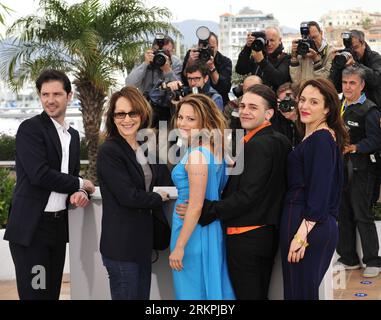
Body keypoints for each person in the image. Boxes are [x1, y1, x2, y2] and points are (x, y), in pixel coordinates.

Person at [179, 85, 292, 299]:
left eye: (253, 107)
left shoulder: (259, 145)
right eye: (242, 106)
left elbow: (248, 195)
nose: (245, 111)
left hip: (247, 237)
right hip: (264, 235)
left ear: (268, 114)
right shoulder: (278, 140)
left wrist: (207, 209)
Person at [3, 69, 95, 300]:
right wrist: (82, 182)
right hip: (32, 231)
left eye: (56, 94)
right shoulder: (30, 129)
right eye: (45, 94)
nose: (50, 100)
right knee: (37, 293)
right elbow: (40, 175)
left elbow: (71, 178)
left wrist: (81, 190)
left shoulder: (73, 136)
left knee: (51, 293)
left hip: (57, 228)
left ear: (69, 96)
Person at [96, 86, 172, 300]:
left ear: (142, 114)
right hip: (121, 248)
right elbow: (127, 195)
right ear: (112, 117)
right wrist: (157, 198)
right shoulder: (110, 150)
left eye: (132, 113)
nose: (126, 119)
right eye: (120, 113)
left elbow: (167, 178)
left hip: (142, 245)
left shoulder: (145, 147)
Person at [279, 78, 349, 300]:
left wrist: (301, 235)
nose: (304, 106)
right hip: (312, 223)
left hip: (306, 224)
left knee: (299, 294)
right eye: (302, 100)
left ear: (327, 109)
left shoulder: (320, 139)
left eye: (314, 102)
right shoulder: (318, 136)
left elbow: (320, 190)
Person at [169, 94, 235, 300]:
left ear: (204, 122)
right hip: (207, 229)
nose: (182, 123)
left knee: (192, 294)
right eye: (181, 117)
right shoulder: (217, 150)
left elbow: (196, 206)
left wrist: (179, 246)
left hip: (191, 234)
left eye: (191, 119)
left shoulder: (197, 155)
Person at [334, 66, 381, 278]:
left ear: (362, 85)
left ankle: (373, 260)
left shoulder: (370, 110)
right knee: (343, 213)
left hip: (362, 169)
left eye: (352, 83)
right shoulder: (339, 105)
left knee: (362, 214)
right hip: (341, 168)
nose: (348, 87)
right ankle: (348, 258)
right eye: (345, 83)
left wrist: (355, 147)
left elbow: (376, 140)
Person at [126, 35, 182, 127]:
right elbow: (130, 83)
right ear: (153, 50)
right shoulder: (144, 59)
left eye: (167, 52)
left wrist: (167, 70)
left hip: (167, 110)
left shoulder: (175, 62)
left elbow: (179, 87)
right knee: (144, 138)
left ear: (173, 50)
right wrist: (145, 64)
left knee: (163, 139)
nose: (163, 56)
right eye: (159, 52)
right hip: (145, 108)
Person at [181, 31, 232, 105]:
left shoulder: (224, 61)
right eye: (204, 48)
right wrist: (189, 63)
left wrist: (212, 67)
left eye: (211, 48)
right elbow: (185, 81)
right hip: (195, 99)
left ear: (217, 46)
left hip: (217, 102)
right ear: (199, 46)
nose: (207, 51)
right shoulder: (192, 55)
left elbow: (224, 89)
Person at [235, 27, 291, 92]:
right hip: (254, 96)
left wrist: (262, 61)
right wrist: (247, 48)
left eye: (272, 40)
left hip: (273, 98)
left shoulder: (285, 58)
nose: (269, 44)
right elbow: (240, 70)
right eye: (267, 41)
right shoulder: (259, 56)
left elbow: (279, 79)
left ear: (279, 40)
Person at [290, 21, 334, 85]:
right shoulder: (301, 51)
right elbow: (296, 81)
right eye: (308, 39)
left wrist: (316, 60)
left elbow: (325, 82)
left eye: (314, 37)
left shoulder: (330, 53)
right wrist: (294, 58)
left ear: (321, 33)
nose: (311, 41)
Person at [271, 82, 301, 148]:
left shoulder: (306, 119)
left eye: (287, 100)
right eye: (282, 102)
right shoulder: (277, 120)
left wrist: (295, 119)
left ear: (297, 99)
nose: (285, 105)